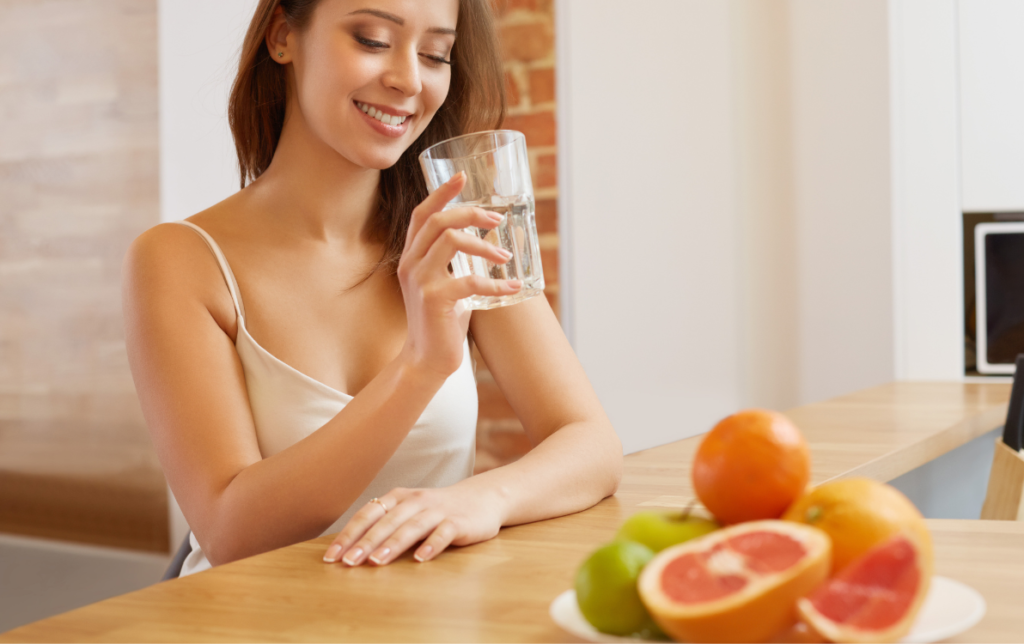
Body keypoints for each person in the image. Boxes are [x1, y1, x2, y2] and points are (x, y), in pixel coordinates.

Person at [123, 0, 621, 577]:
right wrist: (420, 366)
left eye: (436, 54)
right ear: (283, 37)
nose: (409, 79)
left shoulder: (457, 232)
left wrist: (481, 498)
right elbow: (232, 531)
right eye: (372, 40)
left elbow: (591, 445)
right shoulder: (179, 260)